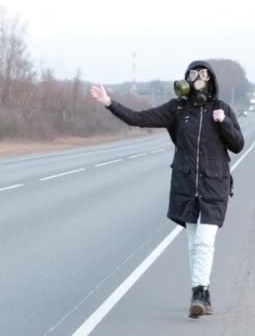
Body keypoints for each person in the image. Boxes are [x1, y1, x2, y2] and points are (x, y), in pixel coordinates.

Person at [90, 60, 244, 318]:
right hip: (186, 186)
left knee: (205, 242)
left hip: (214, 185)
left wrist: (224, 122)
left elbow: (238, 145)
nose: (197, 79)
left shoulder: (221, 109)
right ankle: (203, 293)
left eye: (202, 74)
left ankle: (197, 292)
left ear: (211, 79)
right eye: (193, 74)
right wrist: (109, 102)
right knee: (194, 243)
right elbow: (140, 119)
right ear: (186, 80)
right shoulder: (178, 109)